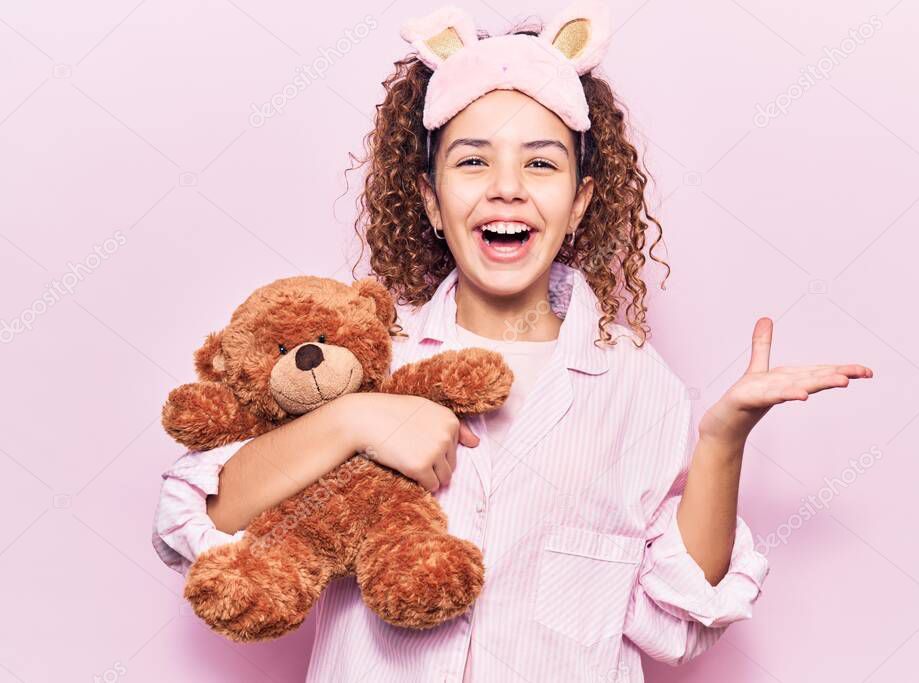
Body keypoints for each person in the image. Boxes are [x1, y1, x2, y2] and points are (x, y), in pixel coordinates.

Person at [152, 2, 873, 681]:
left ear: (581, 200)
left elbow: (679, 620)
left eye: (540, 162)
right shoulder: (362, 354)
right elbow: (202, 516)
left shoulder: (636, 383)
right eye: (472, 161)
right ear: (431, 202)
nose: (506, 188)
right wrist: (354, 418)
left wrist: (723, 439)